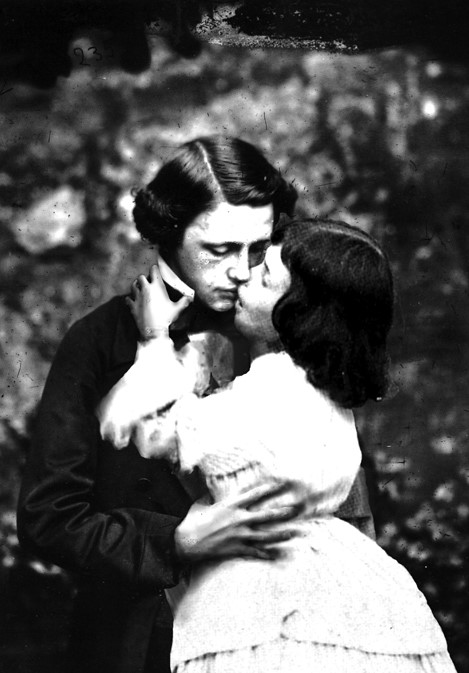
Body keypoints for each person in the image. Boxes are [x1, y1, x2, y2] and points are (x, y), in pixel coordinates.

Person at [16, 136, 373, 673]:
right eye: (220, 250)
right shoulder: (98, 341)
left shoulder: (291, 326)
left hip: (292, 637)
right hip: (144, 644)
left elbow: (345, 493)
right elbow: (49, 517)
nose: (242, 271)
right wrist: (173, 543)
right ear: (169, 233)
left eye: (259, 248)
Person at [99, 218, 457, 673]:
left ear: (301, 314)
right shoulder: (323, 389)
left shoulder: (271, 387)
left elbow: (148, 432)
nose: (242, 277)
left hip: (270, 584)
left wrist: (154, 340)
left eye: (263, 276)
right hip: (347, 571)